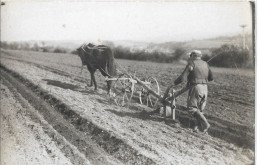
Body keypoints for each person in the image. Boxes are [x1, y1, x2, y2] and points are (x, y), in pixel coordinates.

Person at [163, 50, 213, 133]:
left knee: (192, 109)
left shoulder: (191, 63)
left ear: (193, 56)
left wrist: (173, 83)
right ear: (200, 56)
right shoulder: (206, 64)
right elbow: (211, 78)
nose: (190, 58)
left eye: (191, 56)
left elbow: (182, 78)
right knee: (199, 109)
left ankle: (205, 124)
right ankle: (198, 128)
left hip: (196, 87)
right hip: (205, 88)